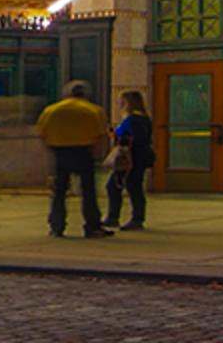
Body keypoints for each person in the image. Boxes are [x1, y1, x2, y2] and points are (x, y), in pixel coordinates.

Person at [37, 80, 114, 239]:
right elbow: (100, 137)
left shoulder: (50, 110)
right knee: (88, 191)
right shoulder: (94, 110)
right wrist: (99, 155)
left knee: (59, 192)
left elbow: (42, 134)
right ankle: (92, 226)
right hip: (83, 152)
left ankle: (57, 226)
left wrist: (51, 152)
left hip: (59, 152)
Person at [107, 91, 153, 231]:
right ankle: (115, 216)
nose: (119, 105)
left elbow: (135, 138)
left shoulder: (133, 120)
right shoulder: (142, 119)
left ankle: (135, 218)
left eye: (122, 102)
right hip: (137, 156)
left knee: (130, 186)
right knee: (124, 185)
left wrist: (116, 137)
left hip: (132, 157)